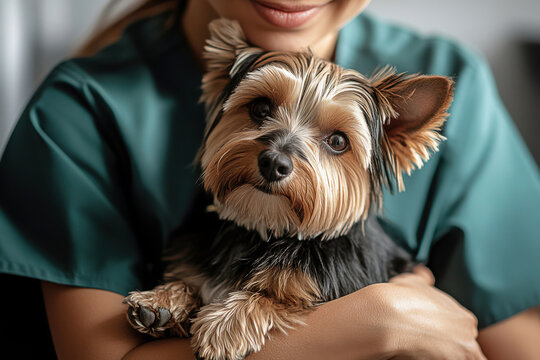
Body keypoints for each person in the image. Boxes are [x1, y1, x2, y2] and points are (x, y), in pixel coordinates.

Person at [1, 0, 539, 359]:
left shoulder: (447, 76)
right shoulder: (82, 109)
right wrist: (377, 321)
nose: (279, 158)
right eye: (260, 109)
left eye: (335, 141)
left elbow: (515, 336)